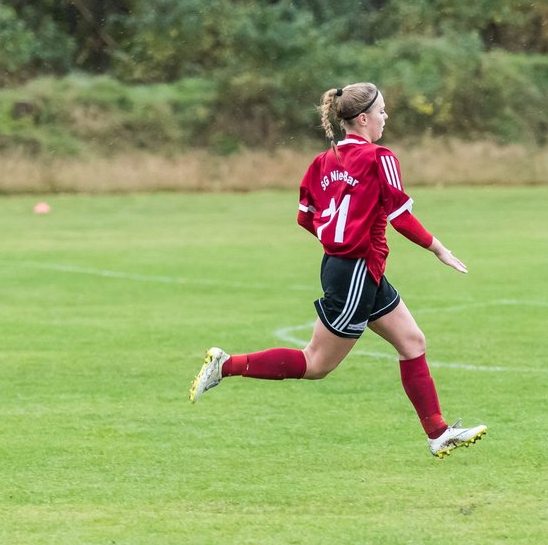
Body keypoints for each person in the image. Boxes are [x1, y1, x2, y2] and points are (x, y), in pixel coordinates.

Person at [189, 82, 486, 458]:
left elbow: (305, 217)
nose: (385, 118)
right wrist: (439, 249)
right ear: (362, 119)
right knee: (316, 363)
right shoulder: (380, 158)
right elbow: (401, 217)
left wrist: (338, 242)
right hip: (356, 272)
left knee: (412, 343)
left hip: (349, 267)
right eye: (381, 112)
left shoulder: (322, 162)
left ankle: (438, 433)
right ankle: (226, 365)